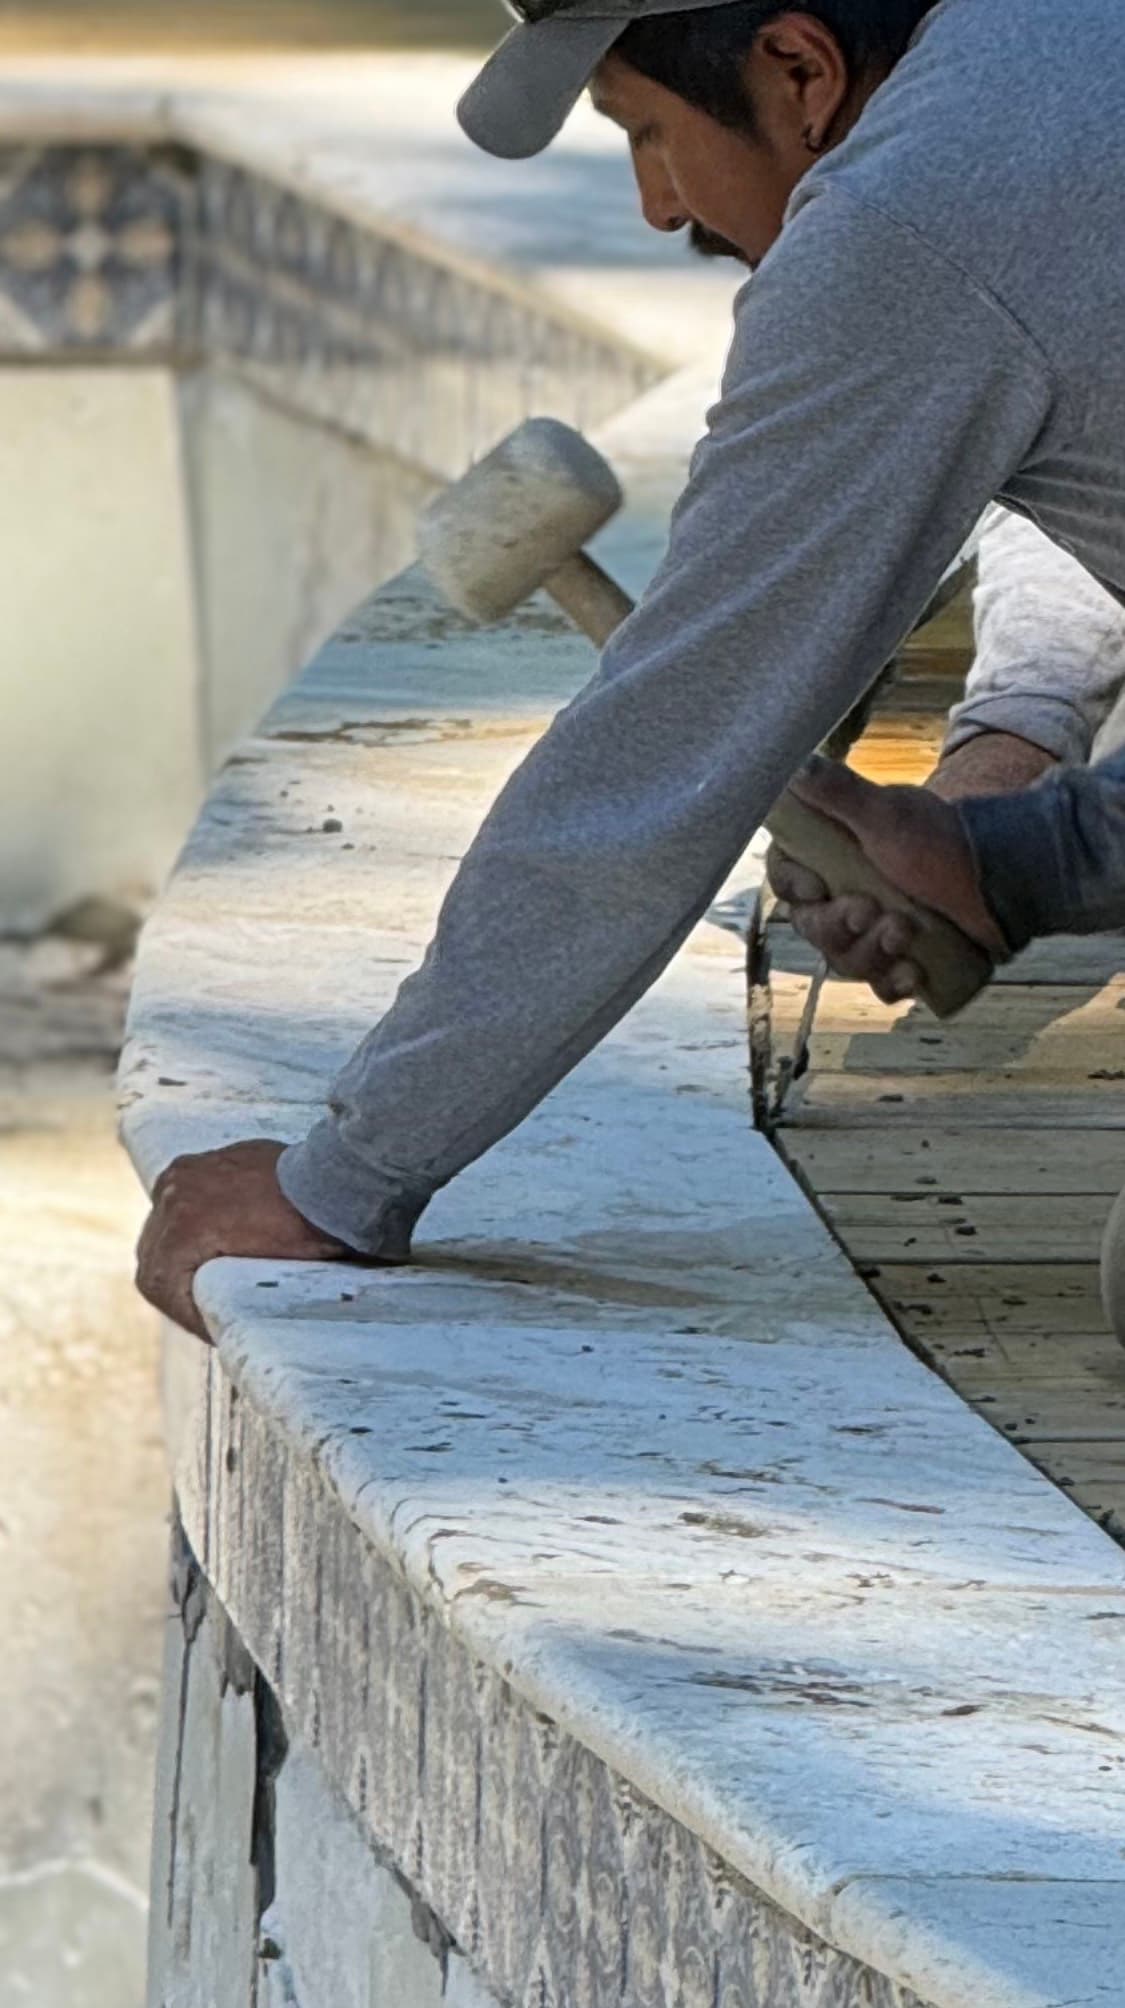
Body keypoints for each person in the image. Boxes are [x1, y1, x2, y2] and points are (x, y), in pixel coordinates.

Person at [137, 0, 1125, 1340]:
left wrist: (346, 1180)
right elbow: (1075, 426)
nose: (658, 206)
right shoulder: (1050, 56)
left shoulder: (903, 227)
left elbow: (658, 758)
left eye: (643, 131)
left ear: (795, 68)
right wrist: (1008, 823)